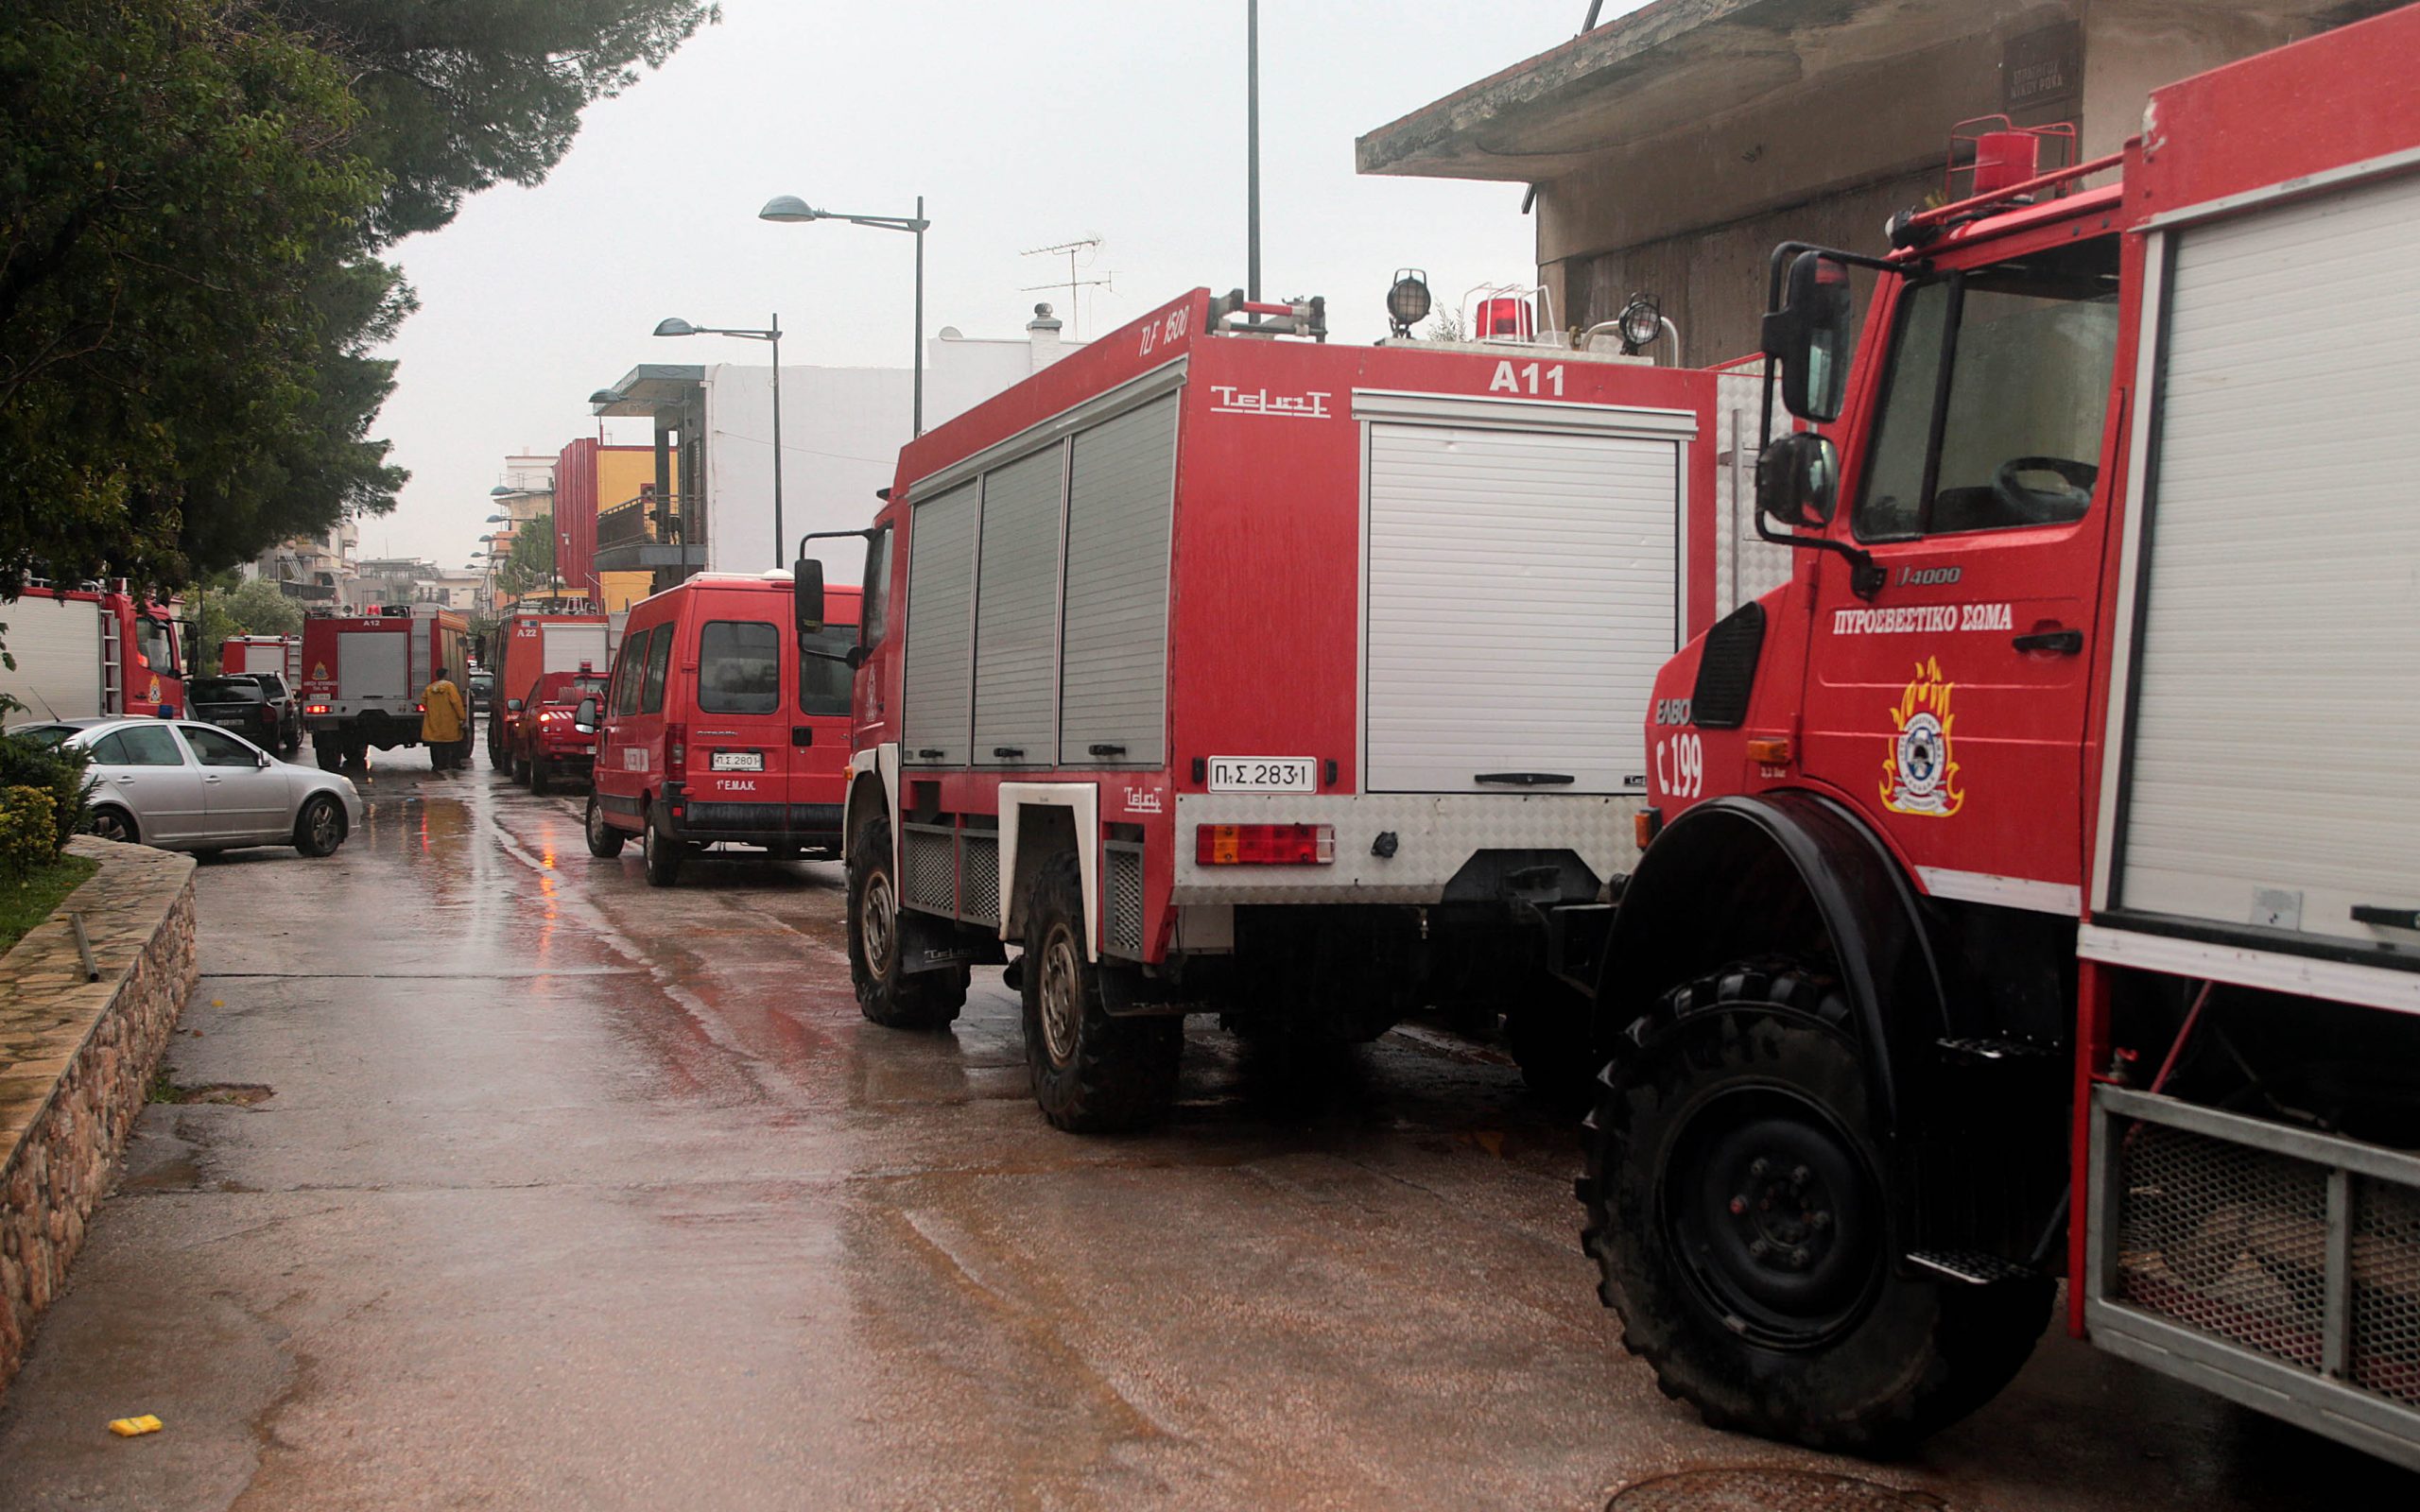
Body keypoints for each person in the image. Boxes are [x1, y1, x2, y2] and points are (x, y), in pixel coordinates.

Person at [423, 665, 469, 773]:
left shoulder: (429, 688)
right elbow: (456, 703)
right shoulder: (450, 687)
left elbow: (423, 702)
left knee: (436, 745)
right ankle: (454, 763)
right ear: (445, 675)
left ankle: (438, 765)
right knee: (453, 743)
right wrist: (462, 717)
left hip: (434, 722)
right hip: (450, 721)